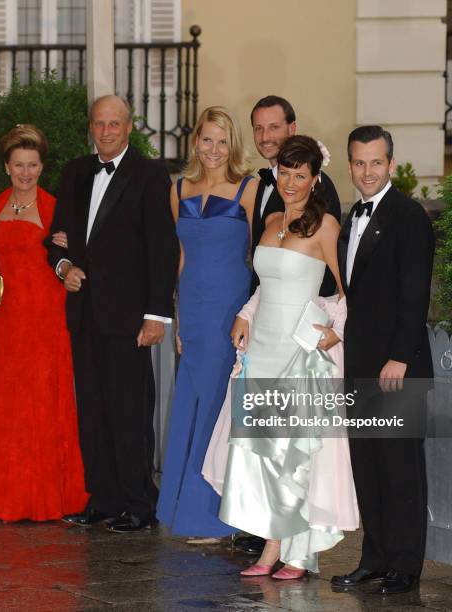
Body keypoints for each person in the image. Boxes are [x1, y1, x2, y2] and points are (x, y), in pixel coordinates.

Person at [205, 135, 358, 579]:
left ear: (315, 179)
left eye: (301, 175)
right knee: (261, 451)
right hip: (262, 349)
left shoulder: (326, 226)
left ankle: (298, 553)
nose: (291, 182)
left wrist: (337, 332)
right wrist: (244, 315)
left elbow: (348, 290)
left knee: (293, 452)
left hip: (299, 352)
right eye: (285, 173)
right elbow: (264, 285)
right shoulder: (270, 219)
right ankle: (271, 547)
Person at [45, 95, 179, 532]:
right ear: (91, 127)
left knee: (130, 414)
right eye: (99, 124)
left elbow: (161, 249)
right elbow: (56, 240)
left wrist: (157, 315)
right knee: (93, 412)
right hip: (84, 313)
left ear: (128, 127)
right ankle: (102, 501)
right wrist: (63, 267)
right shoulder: (75, 172)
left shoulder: (150, 175)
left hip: (129, 317)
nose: (105, 131)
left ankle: (140, 505)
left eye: (114, 124)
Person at [0, 124, 88, 521]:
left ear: (42, 166)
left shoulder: (55, 209)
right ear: (6, 167)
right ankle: (1, 498)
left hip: (47, 323)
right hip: (6, 325)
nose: (26, 173)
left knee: (44, 407)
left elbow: (73, 262)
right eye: (19, 165)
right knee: (5, 409)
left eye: (33, 165)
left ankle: (47, 499)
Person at [331, 126, 434, 595]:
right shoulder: (353, 218)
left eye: (376, 162)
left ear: (391, 164)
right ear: (350, 165)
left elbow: (415, 296)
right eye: (359, 163)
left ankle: (404, 566)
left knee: (400, 470)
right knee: (368, 466)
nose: (367, 171)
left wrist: (398, 358)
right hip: (360, 364)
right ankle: (374, 558)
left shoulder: (408, 216)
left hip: (396, 367)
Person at [156, 107, 258, 539]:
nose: (214, 150)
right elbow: (178, 258)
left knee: (221, 405)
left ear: (232, 145)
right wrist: (178, 317)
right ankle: (186, 506)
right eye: (206, 139)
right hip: (194, 311)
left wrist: (252, 314)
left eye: (222, 141)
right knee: (193, 402)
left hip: (231, 308)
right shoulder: (177, 188)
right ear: (195, 141)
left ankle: (219, 515)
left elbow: (259, 256)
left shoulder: (250, 188)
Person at [250, 95, 342, 296]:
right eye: (259, 128)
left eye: (274, 127)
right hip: (263, 308)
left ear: (292, 129)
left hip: (306, 313)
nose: (265, 137)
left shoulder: (319, 185)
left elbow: (330, 265)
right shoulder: (261, 185)